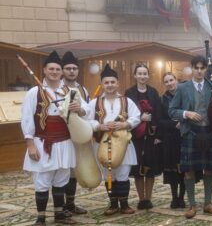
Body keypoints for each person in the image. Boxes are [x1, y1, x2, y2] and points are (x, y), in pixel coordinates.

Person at [22, 51, 81, 225]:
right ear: (45, 71)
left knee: (61, 179)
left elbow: (85, 113)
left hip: (64, 142)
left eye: (57, 69)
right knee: (42, 180)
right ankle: (41, 217)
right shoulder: (35, 92)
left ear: (61, 72)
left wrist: (80, 109)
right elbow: (27, 118)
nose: (54, 72)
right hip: (43, 142)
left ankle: (60, 215)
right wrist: (30, 144)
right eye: (51, 69)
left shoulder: (70, 91)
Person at [169, 55, 212, 218]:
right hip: (191, 133)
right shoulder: (183, 88)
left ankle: (208, 203)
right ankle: (192, 205)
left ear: (206, 69)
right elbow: (172, 110)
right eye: (197, 68)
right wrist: (187, 113)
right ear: (192, 69)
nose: (199, 71)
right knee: (189, 171)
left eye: (202, 68)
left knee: (209, 170)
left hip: (210, 133)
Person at [86, 64, 139, 216]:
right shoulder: (94, 103)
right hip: (102, 143)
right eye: (106, 82)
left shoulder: (127, 101)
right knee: (109, 175)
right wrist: (99, 126)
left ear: (118, 83)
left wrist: (125, 124)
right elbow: (87, 120)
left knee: (122, 174)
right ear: (102, 84)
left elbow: (136, 117)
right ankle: (113, 204)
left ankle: (124, 204)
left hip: (123, 144)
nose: (109, 85)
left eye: (112, 82)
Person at [125, 64, 163, 210]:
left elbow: (159, 114)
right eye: (139, 73)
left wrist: (158, 135)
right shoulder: (129, 93)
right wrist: (141, 118)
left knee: (150, 168)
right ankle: (141, 199)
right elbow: (126, 113)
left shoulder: (153, 92)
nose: (142, 76)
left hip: (152, 136)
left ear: (148, 76)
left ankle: (149, 198)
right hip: (135, 137)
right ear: (135, 76)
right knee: (138, 169)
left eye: (144, 73)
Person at [60, 51, 89, 216]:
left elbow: (89, 110)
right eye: (68, 68)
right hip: (61, 136)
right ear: (63, 70)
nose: (71, 71)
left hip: (77, 136)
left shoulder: (82, 90)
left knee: (73, 171)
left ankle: (70, 204)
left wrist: (82, 110)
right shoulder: (58, 89)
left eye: (74, 68)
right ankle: (60, 206)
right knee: (62, 170)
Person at [160, 72, 186, 209]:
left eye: (171, 80)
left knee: (183, 169)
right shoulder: (162, 99)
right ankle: (174, 197)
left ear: (176, 80)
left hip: (184, 137)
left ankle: (182, 197)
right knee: (172, 170)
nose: (169, 83)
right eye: (166, 81)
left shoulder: (185, 95)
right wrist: (173, 124)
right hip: (170, 138)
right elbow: (159, 120)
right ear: (164, 84)